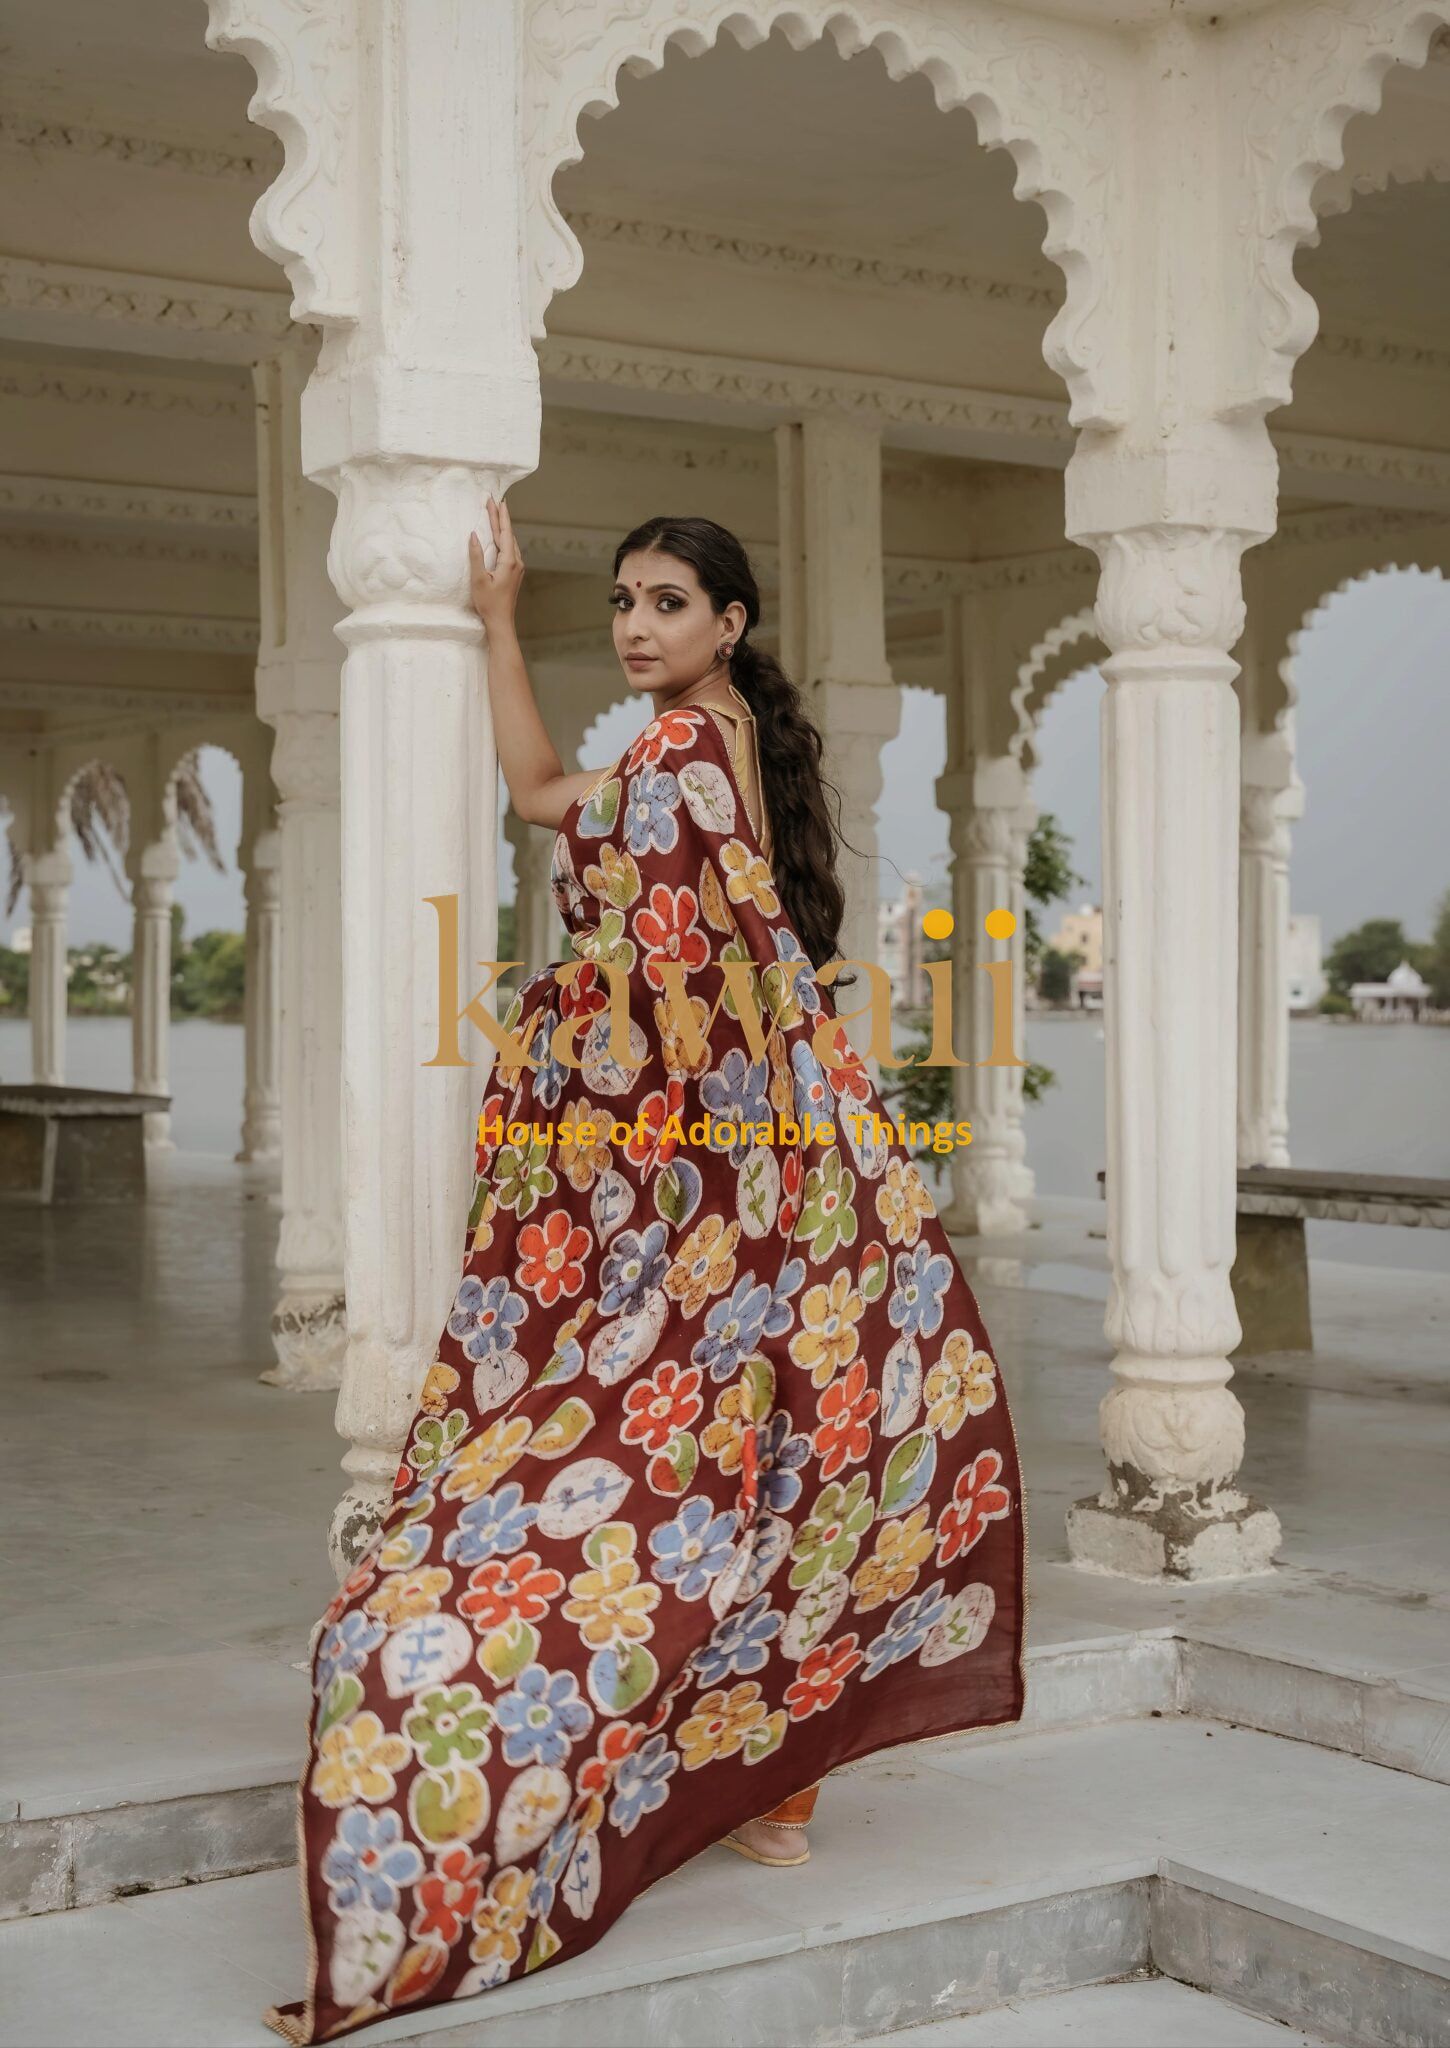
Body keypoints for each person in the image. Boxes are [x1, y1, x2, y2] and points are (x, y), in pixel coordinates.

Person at [266, 506, 1026, 2046]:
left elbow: (620, 906)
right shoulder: (709, 744)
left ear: (728, 622)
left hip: (697, 1169)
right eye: (620, 602)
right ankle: (779, 1788)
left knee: (628, 1469)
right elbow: (591, 837)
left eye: (666, 603)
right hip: (753, 1158)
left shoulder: (685, 750)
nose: (634, 625)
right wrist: (501, 618)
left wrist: (492, 616)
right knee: (772, 1451)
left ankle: (508, 1795)